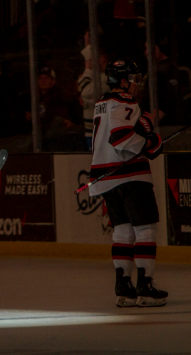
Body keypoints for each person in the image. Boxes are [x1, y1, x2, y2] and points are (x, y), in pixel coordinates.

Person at [89, 57, 168, 308]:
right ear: (122, 81)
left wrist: (142, 125)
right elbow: (121, 138)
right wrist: (151, 143)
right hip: (130, 175)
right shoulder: (125, 100)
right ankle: (145, 285)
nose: (137, 84)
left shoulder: (102, 103)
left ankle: (123, 287)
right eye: (133, 79)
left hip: (106, 179)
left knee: (122, 231)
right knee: (146, 229)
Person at [78, 31, 110, 151]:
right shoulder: (96, 77)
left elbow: (84, 92)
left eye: (91, 58)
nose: (89, 62)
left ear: (102, 58)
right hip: (92, 132)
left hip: (104, 133)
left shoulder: (107, 77)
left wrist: (87, 69)